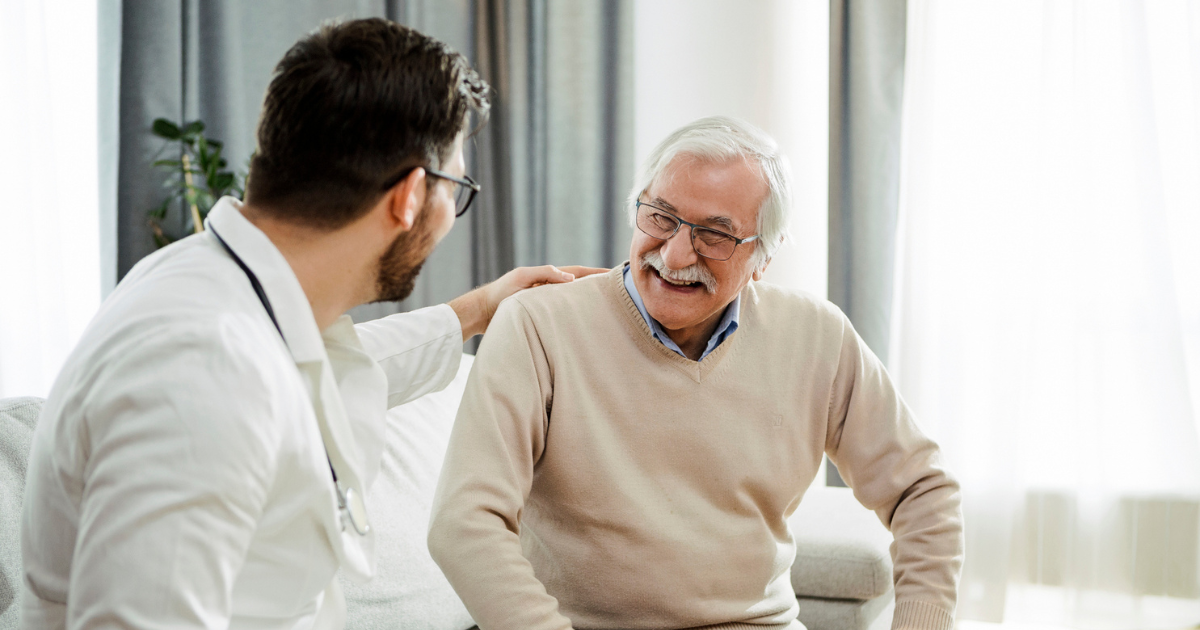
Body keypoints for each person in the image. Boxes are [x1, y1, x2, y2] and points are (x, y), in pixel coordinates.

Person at [21, 18, 601, 630]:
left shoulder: (218, 288)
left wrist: (480, 309)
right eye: (455, 187)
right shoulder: (201, 370)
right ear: (409, 196)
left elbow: (318, 366)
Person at [429, 116, 965, 630]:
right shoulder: (537, 325)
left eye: (715, 235)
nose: (676, 252)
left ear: (763, 257)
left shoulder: (816, 335)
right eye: (661, 217)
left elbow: (922, 490)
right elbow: (466, 522)